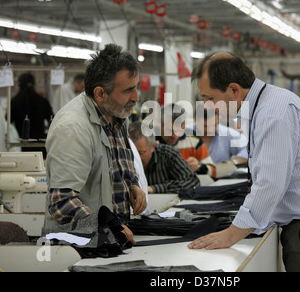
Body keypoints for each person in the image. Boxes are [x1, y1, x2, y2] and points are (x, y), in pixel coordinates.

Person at [188, 52, 300, 272]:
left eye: (209, 98)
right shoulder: (266, 105)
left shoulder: (272, 114)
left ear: (233, 89)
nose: (207, 106)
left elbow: (270, 184)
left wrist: (231, 234)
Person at [42, 44, 147, 246]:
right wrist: (111, 226)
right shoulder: (73, 129)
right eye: (128, 90)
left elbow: (118, 162)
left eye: (136, 86)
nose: (136, 97)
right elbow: (62, 204)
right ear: (100, 93)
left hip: (111, 241)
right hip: (80, 248)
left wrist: (133, 184)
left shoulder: (116, 114)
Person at [129, 121, 200, 194]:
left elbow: (192, 181)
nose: (135, 158)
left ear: (153, 146)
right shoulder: (120, 158)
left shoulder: (169, 155)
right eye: (130, 153)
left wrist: (153, 189)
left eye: (140, 153)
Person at [156, 103, 217, 177]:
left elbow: (213, 171)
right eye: (170, 131)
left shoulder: (193, 139)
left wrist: (198, 167)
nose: (175, 136)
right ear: (159, 123)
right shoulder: (150, 141)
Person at [10, 73, 53, 155]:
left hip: (20, 146)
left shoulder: (14, 102)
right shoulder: (42, 101)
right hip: (40, 146)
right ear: (34, 85)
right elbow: (52, 120)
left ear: (19, 84)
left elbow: (8, 123)